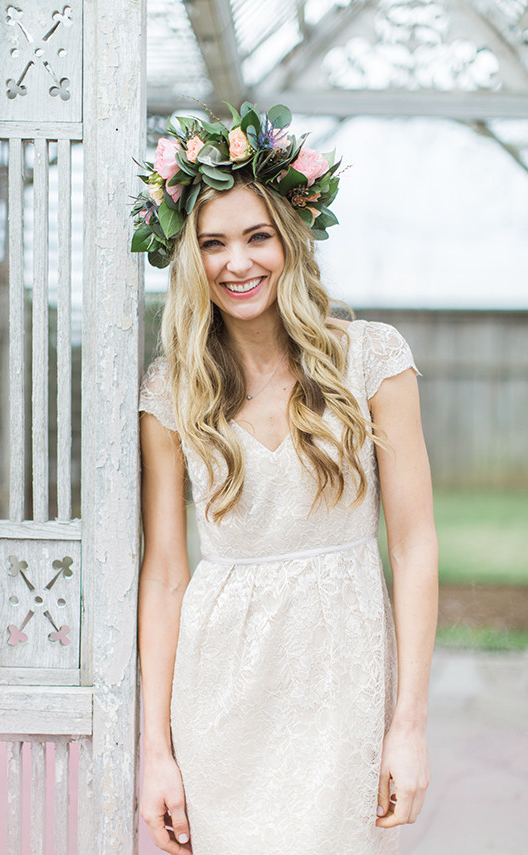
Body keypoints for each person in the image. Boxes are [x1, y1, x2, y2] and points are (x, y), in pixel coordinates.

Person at [133, 102, 438, 855]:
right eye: (213, 243)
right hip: (218, 691)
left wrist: (409, 724)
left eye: (257, 236)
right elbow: (168, 573)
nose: (238, 262)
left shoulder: (371, 360)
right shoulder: (172, 391)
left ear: (291, 238)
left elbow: (417, 544)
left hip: (341, 679)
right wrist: (154, 751)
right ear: (189, 257)